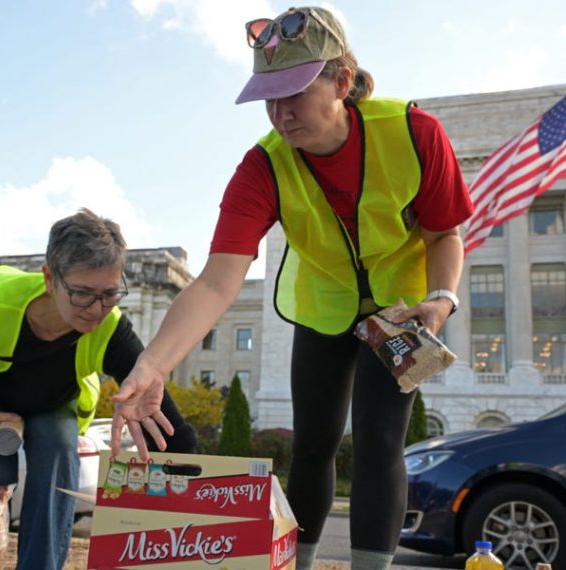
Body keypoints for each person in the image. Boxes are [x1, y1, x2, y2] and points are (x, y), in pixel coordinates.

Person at [111, 7, 471, 570]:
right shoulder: (261, 167)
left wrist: (442, 299)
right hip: (323, 306)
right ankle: (296, 563)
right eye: (269, 98)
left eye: (295, 93)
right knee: (313, 444)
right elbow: (216, 281)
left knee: (379, 442)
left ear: (341, 83)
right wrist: (152, 365)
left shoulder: (414, 132)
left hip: (403, 310)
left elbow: (445, 233)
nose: (280, 114)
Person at [0, 208, 197, 570]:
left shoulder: (113, 331)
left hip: (50, 401)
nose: (97, 309)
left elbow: (168, 422)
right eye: (82, 294)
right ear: (49, 278)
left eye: (110, 294)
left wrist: (211, 493)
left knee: (58, 447)